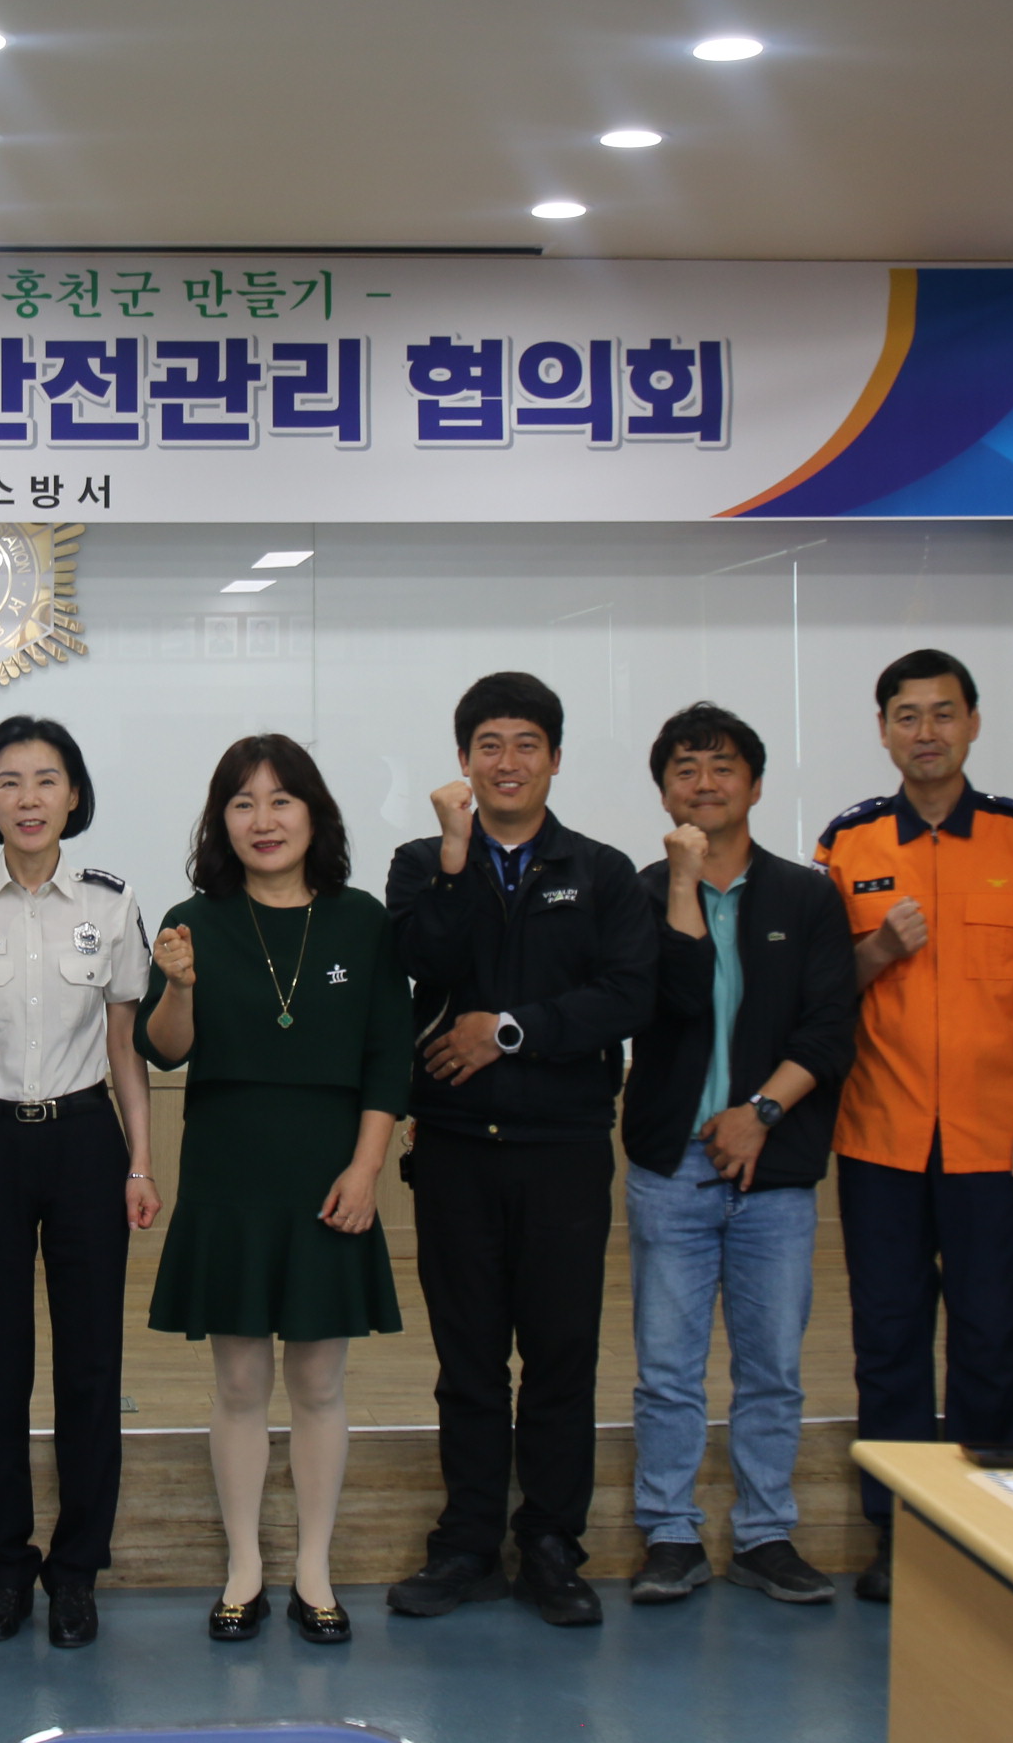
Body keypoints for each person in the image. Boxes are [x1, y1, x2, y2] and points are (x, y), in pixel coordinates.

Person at [383, 671, 655, 1629]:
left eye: (526, 744)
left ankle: (550, 1544)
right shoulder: (421, 863)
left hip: (563, 1149)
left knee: (559, 1357)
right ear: (464, 760)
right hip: (455, 1148)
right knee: (467, 1361)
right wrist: (457, 858)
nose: (507, 762)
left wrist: (509, 1031)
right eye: (489, 745)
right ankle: (466, 1544)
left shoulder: (604, 871)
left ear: (556, 759)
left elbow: (628, 997)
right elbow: (422, 961)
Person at [813, 648, 1013, 1603]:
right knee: (887, 1345)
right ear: (883, 730)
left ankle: (987, 1533)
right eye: (907, 716)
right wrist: (878, 950)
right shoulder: (848, 843)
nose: (925, 732)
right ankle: (900, 1534)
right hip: (880, 1137)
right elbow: (822, 991)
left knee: (991, 1340)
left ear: (972, 723)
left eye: (942, 713)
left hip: (997, 1138)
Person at [138, 732, 410, 1646]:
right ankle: (245, 1567)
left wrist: (366, 1169)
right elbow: (164, 1049)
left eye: (281, 800)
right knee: (241, 1379)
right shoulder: (194, 918)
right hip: (230, 1170)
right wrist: (177, 987)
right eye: (242, 802)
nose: (263, 819)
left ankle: (315, 1569)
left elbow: (389, 1055)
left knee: (321, 1381)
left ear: (314, 814)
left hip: (332, 1170)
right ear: (221, 821)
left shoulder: (361, 920)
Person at [0, 716, 156, 1650]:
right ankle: (5, 1569)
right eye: (8, 782)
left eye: (46, 780)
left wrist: (140, 1162)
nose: (28, 799)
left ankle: (78, 1571)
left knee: (92, 1368)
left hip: (86, 1138)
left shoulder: (110, 901)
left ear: (74, 795)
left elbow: (127, 1047)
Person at [619, 703, 856, 1607]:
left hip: (775, 1168)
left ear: (755, 785)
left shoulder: (807, 896)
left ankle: (765, 1533)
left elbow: (830, 1028)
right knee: (668, 1369)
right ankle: (669, 1532)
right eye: (685, 769)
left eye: (722, 767)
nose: (705, 783)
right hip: (669, 1165)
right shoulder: (638, 894)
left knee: (772, 1370)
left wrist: (760, 1112)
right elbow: (660, 1007)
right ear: (663, 792)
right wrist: (682, 886)